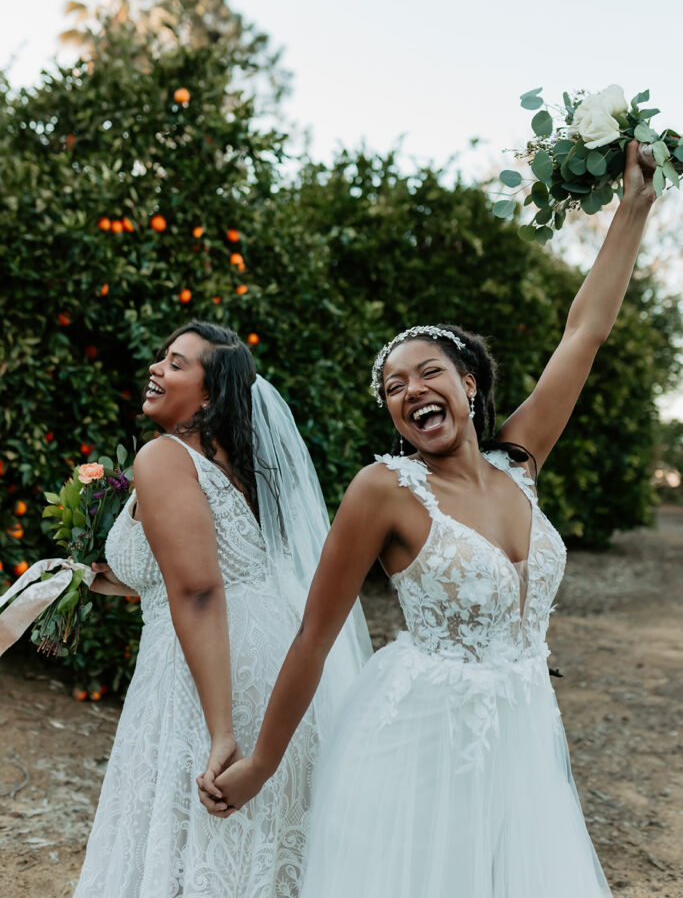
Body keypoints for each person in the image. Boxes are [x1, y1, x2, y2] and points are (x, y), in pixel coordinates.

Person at [199, 141, 655, 897]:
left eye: (426, 373)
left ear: (468, 385)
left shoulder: (519, 465)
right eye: (391, 387)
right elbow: (314, 637)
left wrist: (633, 204)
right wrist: (259, 765)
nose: (409, 390)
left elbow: (584, 333)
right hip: (413, 742)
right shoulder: (384, 491)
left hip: (520, 734)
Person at [74, 321, 371, 898]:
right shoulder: (235, 465)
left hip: (207, 668)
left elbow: (200, 591)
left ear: (208, 395)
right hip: (265, 654)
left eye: (177, 364)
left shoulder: (162, 458)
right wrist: (96, 578)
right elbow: (192, 573)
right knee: (254, 849)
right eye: (163, 358)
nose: (157, 368)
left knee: (201, 831)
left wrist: (220, 731)